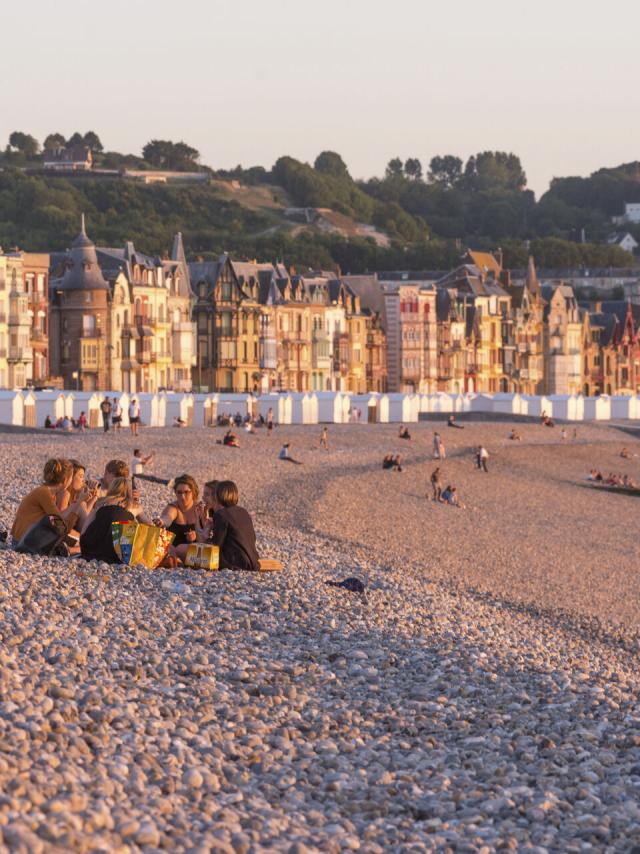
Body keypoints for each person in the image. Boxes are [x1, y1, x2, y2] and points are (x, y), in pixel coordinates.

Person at [11, 459, 88, 545]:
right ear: (65, 480)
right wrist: (78, 502)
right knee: (82, 542)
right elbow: (61, 527)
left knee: (81, 541)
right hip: (23, 542)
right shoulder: (44, 493)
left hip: (25, 538)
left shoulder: (48, 493)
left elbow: (59, 525)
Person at [80, 478, 136, 564]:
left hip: (91, 548)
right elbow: (148, 525)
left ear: (112, 488)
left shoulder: (100, 502)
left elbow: (85, 528)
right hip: (116, 554)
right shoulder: (133, 506)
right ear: (129, 491)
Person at [210, 480, 260, 571]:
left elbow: (216, 544)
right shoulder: (243, 512)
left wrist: (206, 533)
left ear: (217, 496)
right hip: (253, 562)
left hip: (234, 563)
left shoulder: (221, 514)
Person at [56, 459, 98, 534]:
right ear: (70, 477)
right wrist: (80, 501)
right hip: (67, 534)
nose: (83, 480)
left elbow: (85, 516)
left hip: (86, 535)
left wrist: (94, 498)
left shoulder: (75, 495)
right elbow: (58, 523)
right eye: (81, 476)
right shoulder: (64, 493)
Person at [159, 474, 201, 548]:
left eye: (186, 492)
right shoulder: (173, 507)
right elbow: (168, 517)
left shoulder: (200, 509)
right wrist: (162, 521)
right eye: (179, 492)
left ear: (193, 492)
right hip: (174, 551)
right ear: (175, 492)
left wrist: (197, 535)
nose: (182, 497)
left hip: (197, 552)